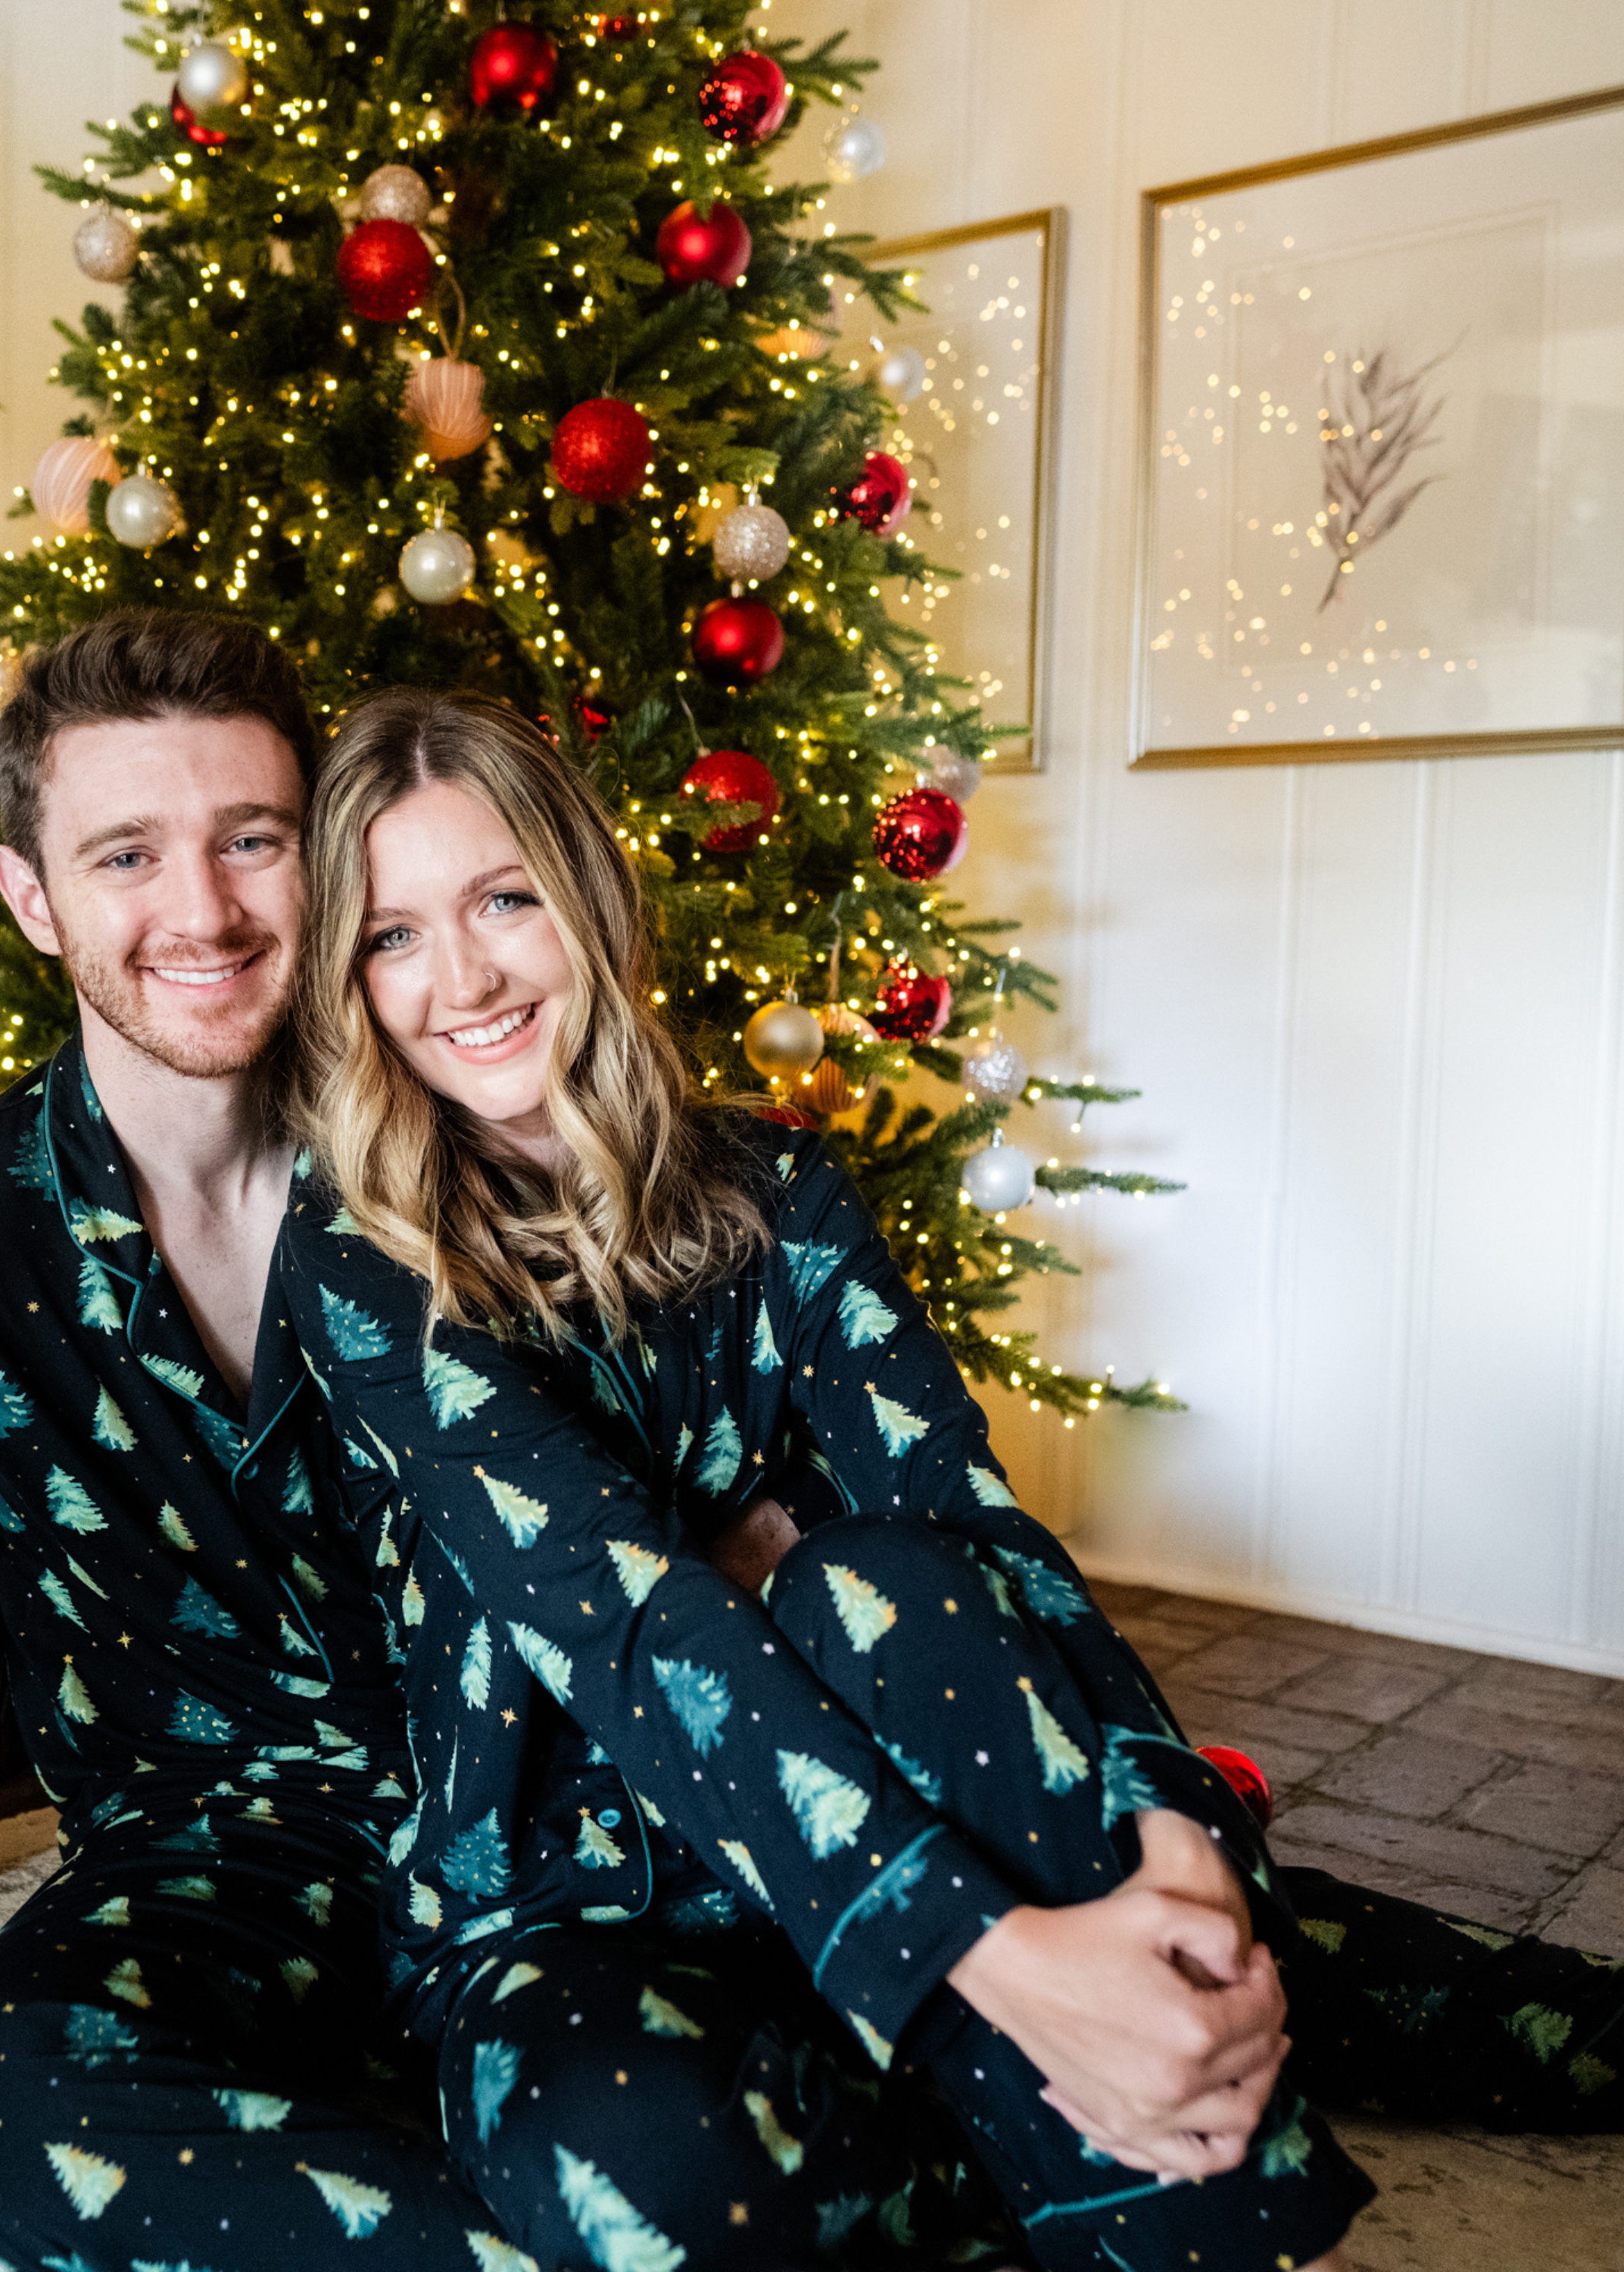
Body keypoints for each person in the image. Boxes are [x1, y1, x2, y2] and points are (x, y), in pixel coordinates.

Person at [279, 687, 1624, 2272]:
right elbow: (632, 1618)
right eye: (395, 937)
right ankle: (1054, 2086)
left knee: (898, 1595)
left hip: (903, 1795)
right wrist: (1001, 1955)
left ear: (584, 896)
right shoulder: (362, 1258)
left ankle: (1203, 2197)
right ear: (348, 983)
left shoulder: (780, 1191)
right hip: (584, 1903)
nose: (467, 978)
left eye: (504, 900)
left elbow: (965, 1531)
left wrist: (1173, 1824)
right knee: (635, 2158)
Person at [0, 614, 517, 2270]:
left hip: (559, 1810)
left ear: (315, 858)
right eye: (127, 853)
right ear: (36, 899)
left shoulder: (490, 1156)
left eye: (252, 839)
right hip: (227, 1849)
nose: (207, 912)